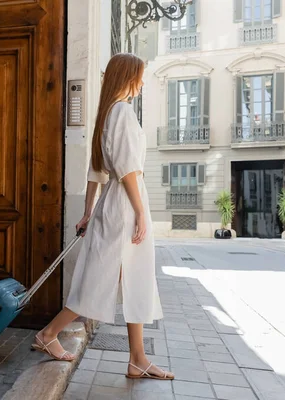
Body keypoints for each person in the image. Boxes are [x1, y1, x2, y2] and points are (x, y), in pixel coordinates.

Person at [31, 53, 174, 381]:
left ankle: (137, 358)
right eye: (139, 75)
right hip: (126, 204)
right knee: (104, 277)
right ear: (128, 77)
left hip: (113, 205)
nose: (141, 82)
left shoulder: (107, 114)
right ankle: (49, 333)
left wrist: (87, 212)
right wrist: (139, 212)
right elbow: (126, 169)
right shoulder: (122, 112)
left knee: (126, 277)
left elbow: (96, 172)